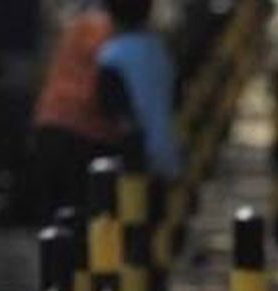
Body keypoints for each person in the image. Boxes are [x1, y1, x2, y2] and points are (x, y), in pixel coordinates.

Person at [31, 2, 118, 220]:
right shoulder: (102, 28)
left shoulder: (84, 23)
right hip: (78, 128)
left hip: (55, 123)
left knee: (62, 217)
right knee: (81, 216)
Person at [98, 0, 181, 183]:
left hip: (135, 163)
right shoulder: (160, 52)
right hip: (167, 156)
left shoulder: (112, 57)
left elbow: (114, 111)